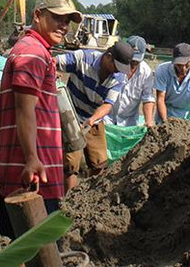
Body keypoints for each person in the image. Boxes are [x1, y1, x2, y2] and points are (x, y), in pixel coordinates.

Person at [0, 0, 81, 237]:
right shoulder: (32, 53)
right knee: (35, 250)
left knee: (23, 249)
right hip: (34, 176)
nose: (64, 26)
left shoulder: (36, 51)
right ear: (37, 16)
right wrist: (32, 158)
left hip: (33, 171)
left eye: (67, 21)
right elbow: (25, 112)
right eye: (57, 18)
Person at [56, 40, 133, 190]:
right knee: (71, 165)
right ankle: (67, 201)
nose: (117, 71)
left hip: (94, 117)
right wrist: (52, 71)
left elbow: (107, 105)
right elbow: (53, 62)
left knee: (99, 162)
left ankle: (91, 197)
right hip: (71, 117)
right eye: (116, 66)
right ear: (108, 56)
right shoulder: (83, 58)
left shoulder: (119, 78)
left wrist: (92, 119)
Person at [146, 43, 190, 126]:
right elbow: (160, 99)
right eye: (179, 65)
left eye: (186, 64)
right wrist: (166, 124)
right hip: (166, 111)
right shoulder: (162, 70)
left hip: (188, 114)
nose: (183, 69)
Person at [107, 35, 155, 127]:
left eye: (136, 62)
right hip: (107, 118)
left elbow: (148, 98)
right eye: (131, 61)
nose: (133, 64)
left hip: (129, 122)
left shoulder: (146, 72)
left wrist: (148, 121)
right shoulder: (115, 66)